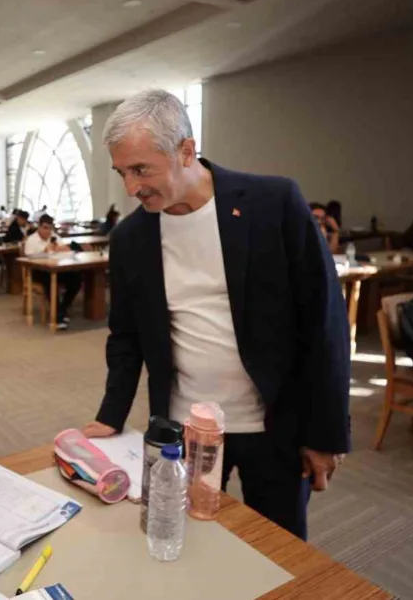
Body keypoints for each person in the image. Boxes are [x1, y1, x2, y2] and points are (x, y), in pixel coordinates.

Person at [82, 90, 350, 540]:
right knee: (186, 541)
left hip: (275, 424)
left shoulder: (274, 203)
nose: (130, 187)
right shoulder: (131, 238)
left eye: (141, 169)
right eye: (121, 172)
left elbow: (324, 324)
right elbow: (126, 336)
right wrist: (112, 414)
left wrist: (326, 435)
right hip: (184, 431)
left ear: (186, 150)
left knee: (278, 550)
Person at [25, 214, 82, 329]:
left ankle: (61, 310)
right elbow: (28, 257)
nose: (48, 231)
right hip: (38, 271)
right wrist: (44, 251)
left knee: (77, 278)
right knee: (51, 281)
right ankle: (58, 317)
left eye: (50, 228)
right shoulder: (32, 240)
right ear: (39, 227)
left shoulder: (54, 236)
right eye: (45, 228)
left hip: (55, 268)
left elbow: (66, 249)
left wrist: (63, 249)